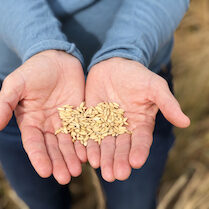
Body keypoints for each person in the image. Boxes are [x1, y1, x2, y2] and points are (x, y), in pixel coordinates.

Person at [0, 0, 190, 209]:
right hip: (29, 98)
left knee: (134, 201)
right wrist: (39, 47)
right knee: (40, 199)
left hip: (135, 88)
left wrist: (127, 50)